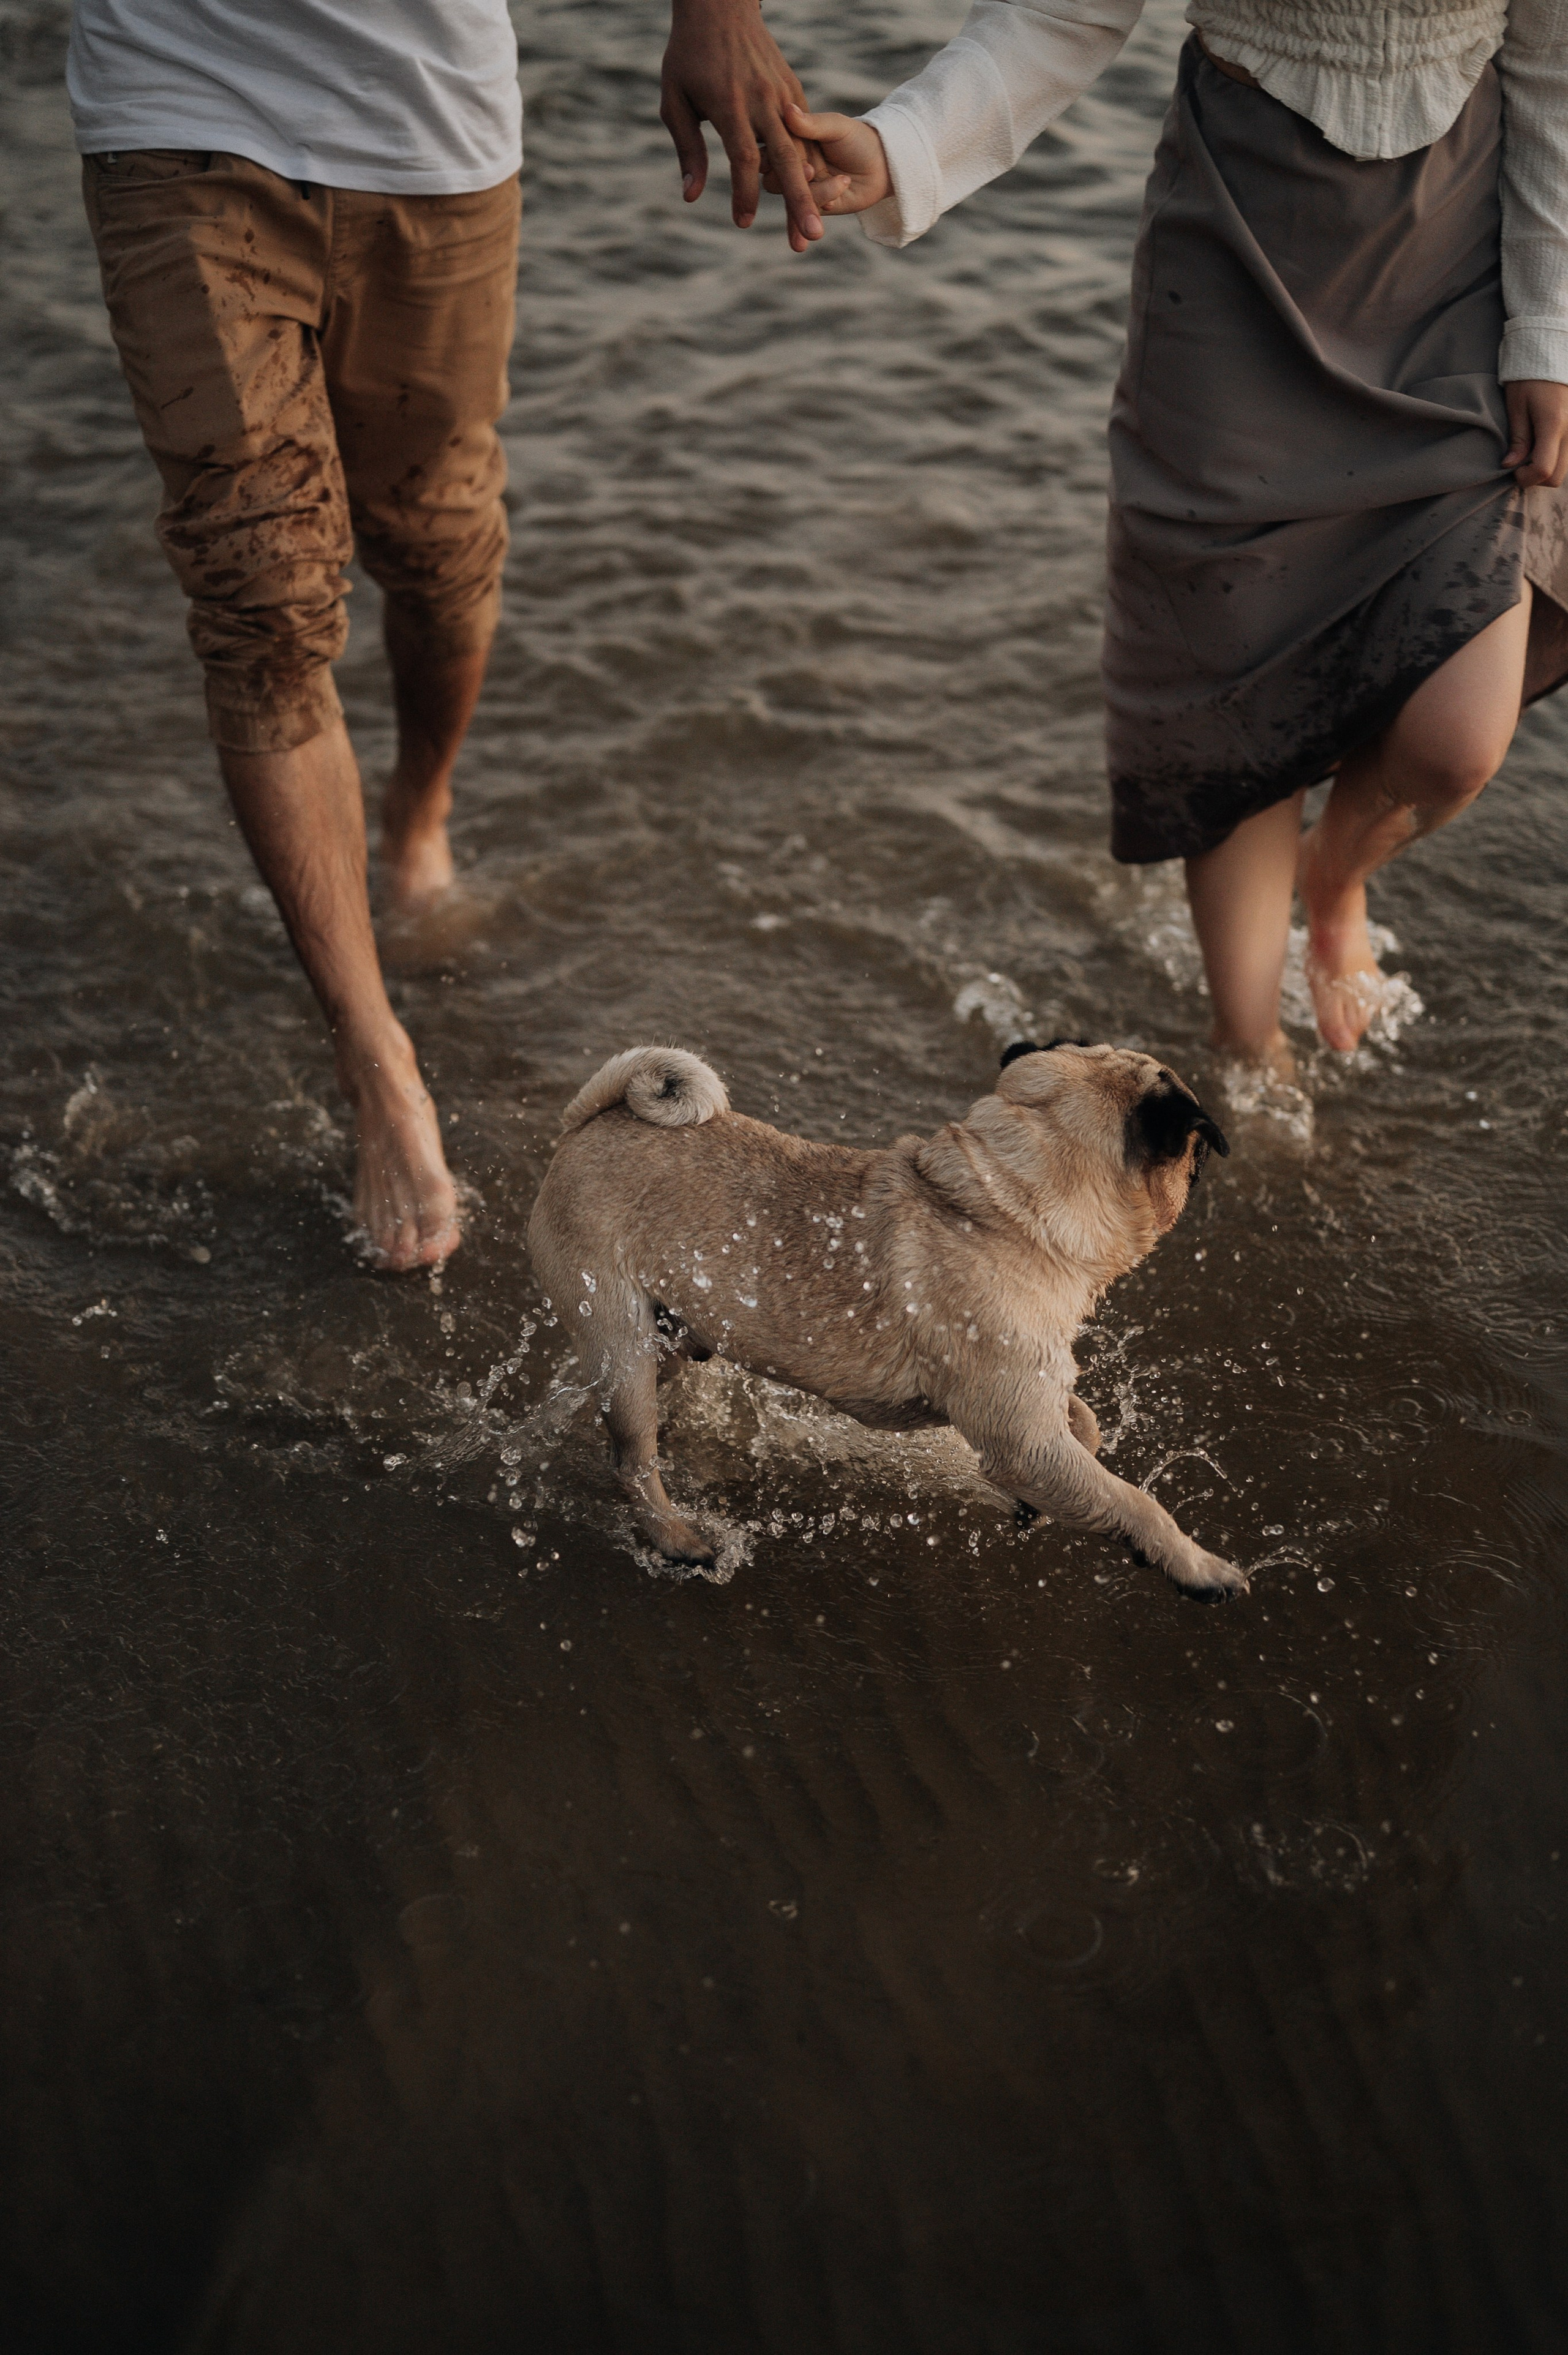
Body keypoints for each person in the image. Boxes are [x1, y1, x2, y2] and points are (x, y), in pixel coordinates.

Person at [69, 0, 825, 1271]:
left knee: (437, 548)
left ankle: (417, 818)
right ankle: (376, 1058)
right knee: (260, 599)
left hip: (432, 126)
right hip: (175, 97)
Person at [775, 1, 1568, 1081]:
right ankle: (1248, 1057)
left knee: (1456, 742)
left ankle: (1333, 876)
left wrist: (1547, 328)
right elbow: (1064, 10)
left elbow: (1554, 65)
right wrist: (900, 144)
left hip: (1460, 265)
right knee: (1235, 668)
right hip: (1239, 256)